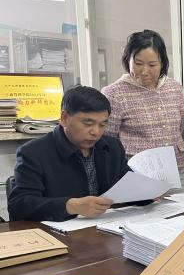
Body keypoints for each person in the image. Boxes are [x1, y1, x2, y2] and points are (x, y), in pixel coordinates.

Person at [8, 86, 128, 222]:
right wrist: (71, 206)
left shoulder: (112, 147)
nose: (96, 132)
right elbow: (19, 206)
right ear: (64, 118)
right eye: (88, 123)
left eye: (102, 125)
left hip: (107, 226)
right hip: (59, 229)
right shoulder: (33, 152)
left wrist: (146, 193)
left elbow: (130, 186)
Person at [102, 29, 184, 191]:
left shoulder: (174, 88)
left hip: (175, 171)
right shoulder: (114, 93)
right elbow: (108, 140)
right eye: (138, 63)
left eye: (152, 65)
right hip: (136, 174)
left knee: (181, 207)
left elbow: (179, 126)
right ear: (128, 59)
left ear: (163, 63)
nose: (144, 71)